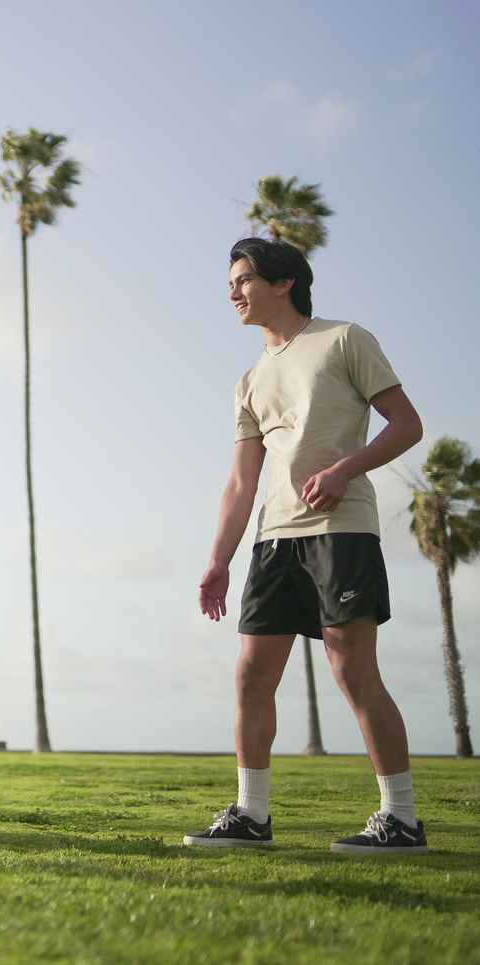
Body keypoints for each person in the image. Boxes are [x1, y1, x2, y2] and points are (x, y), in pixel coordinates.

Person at [190, 237, 428, 854]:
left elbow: (407, 423)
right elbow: (242, 483)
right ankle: (251, 814)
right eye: (231, 283)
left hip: (340, 530)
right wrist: (219, 560)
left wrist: (347, 469)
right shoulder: (249, 380)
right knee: (251, 675)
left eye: (243, 280)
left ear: (284, 282)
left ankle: (401, 819)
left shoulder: (344, 339)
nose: (233, 292)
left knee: (353, 671)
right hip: (274, 540)